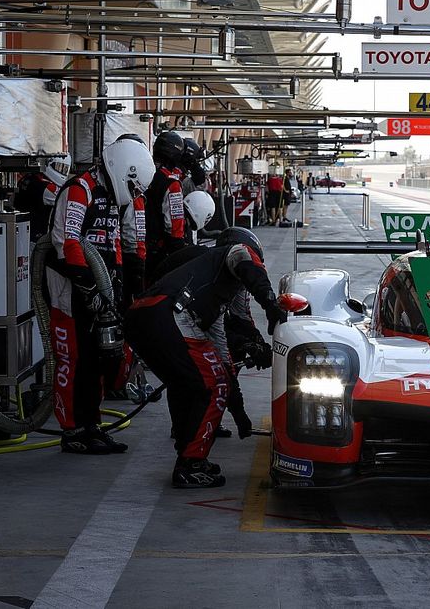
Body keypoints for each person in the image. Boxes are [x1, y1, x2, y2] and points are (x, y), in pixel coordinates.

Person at [124, 227, 286, 488]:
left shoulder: (212, 303)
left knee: (188, 383)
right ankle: (191, 463)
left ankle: (187, 447)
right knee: (215, 386)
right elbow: (250, 268)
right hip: (168, 314)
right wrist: (271, 304)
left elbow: (223, 358)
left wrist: (239, 413)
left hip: (141, 317)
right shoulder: (235, 253)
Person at [46, 138, 155, 453]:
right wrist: (88, 288)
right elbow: (69, 242)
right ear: (124, 170)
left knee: (98, 360)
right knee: (73, 358)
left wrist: (117, 286)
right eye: (133, 187)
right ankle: (72, 431)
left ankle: (91, 425)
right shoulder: (80, 190)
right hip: (69, 287)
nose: (133, 195)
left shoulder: (111, 198)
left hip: (101, 287)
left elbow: (114, 241)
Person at [144, 131, 187, 280]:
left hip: (133, 246)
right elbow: (174, 225)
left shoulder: (142, 173)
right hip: (158, 251)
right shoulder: (172, 183)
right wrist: (179, 251)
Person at [14, 155, 72, 242]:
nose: (61, 171)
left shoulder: (29, 178)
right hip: (34, 238)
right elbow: (68, 199)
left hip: (21, 232)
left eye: (64, 169)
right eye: (59, 167)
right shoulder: (44, 187)